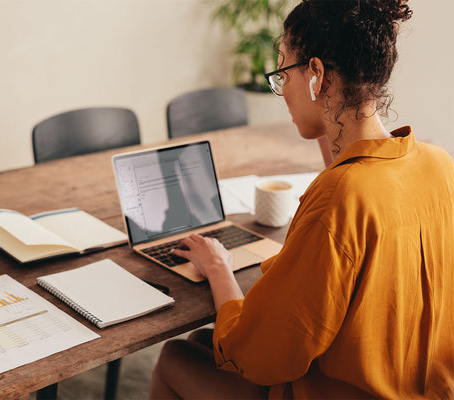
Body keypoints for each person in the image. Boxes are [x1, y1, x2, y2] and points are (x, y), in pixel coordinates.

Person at [149, 0, 454, 398]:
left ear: (316, 75)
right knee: (201, 346)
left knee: (176, 355)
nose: (282, 93)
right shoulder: (438, 163)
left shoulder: (340, 196)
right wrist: (330, 128)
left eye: (282, 73)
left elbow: (262, 355)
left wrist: (219, 268)